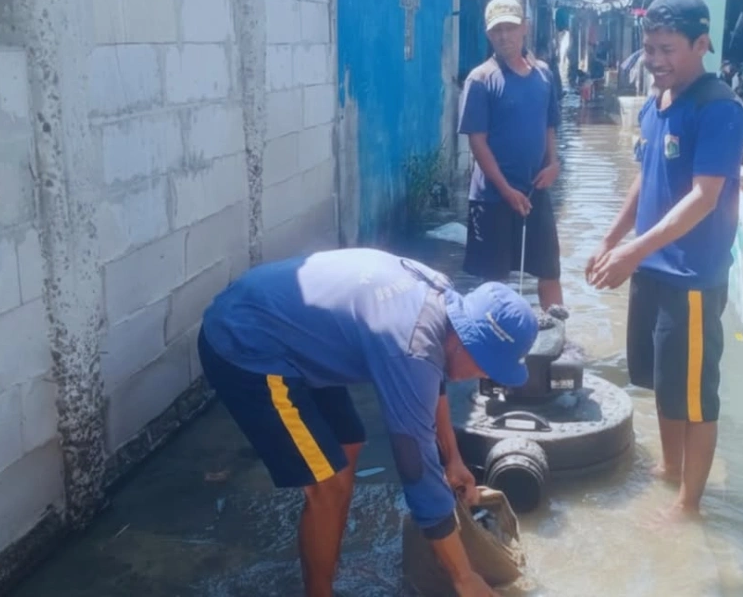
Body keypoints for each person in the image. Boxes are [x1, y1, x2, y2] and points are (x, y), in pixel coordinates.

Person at [198, 248, 538, 597]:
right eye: (485, 366)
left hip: (289, 330)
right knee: (326, 484)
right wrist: (463, 577)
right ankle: (319, 591)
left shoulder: (441, 301)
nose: (481, 376)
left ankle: (324, 552)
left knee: (349, 446)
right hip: (247, 343)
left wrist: (453, 458)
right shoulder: (411, 347)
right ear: (467, 340)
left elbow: (432, 379)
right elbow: (415, 468)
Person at [585, 0, 743, 518]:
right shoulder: (659, 105)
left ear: (701, 44)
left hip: (691, 277)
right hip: (652, 268)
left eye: (667, 48)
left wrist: (633, 250)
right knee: (661, 381)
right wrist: (611, 239)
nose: (654, 60)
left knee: (697, 397)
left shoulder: (718, 108)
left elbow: (704, 197)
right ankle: (670, 470)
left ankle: (689, 505)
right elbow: (645, 177)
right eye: (649, 47)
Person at [458, 0, 564, 310]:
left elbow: (549, 126)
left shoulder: (544, 75)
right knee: (494, 284)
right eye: (496, 30)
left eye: (510, 28)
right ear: (488, 35)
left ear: (525, 29)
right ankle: (492, 345)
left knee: (549, 271)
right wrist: (505, 190)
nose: (504, 36)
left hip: (535, 190)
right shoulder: (480, 79)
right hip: (492, 197)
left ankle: (559, 341)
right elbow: (477, 143)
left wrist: (553, 163)